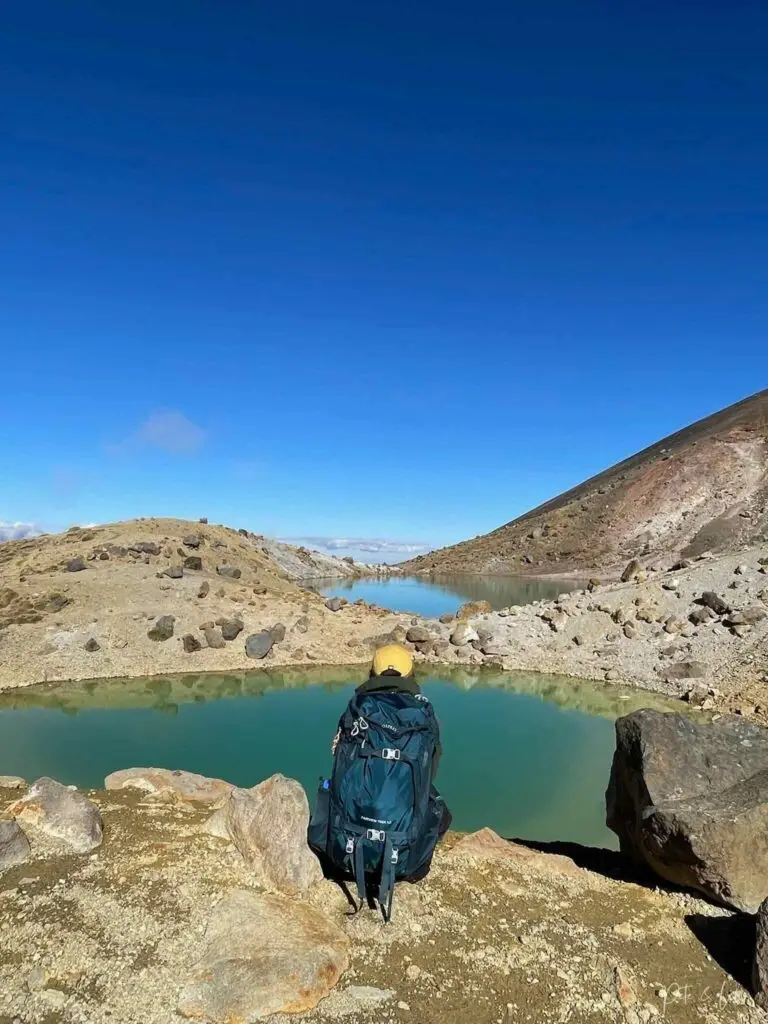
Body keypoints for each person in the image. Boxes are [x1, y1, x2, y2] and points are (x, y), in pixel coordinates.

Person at [309, 643, 451, 921]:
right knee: (441, 810)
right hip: (405, 859)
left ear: (372, 670)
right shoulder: (424, 715)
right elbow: (429, 774)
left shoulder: (356, 708)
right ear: (411, 674)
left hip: (342, 851)